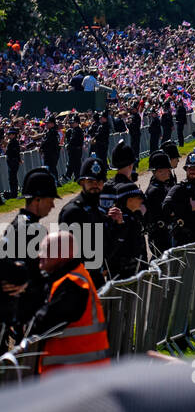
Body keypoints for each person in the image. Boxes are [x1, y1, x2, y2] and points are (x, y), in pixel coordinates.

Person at [28, 229, 110, 376]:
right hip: (77, 373)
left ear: (62, 255)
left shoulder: (74, 284)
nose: (39, 255)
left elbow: (42, 323)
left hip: (78, 376)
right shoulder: (68, 277)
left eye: (45, 250)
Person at [0, 167, 58, 339]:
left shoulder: (17, 224)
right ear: (37, 200)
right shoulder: (31, 230)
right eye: (50, 200)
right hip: (27, 316)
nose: (53, 205)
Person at [58, 156, 121, 288]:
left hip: (96, 280)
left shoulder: (98, 211)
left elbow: (107, 247)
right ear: (82, 183)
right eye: (90, 181)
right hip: (78, 284)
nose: (95, 186)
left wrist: (116, 224)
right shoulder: (72, 212)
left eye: (99, 181)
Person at [163, 151, 195, 245]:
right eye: (189, 168)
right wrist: (189, 207)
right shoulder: (179, 188)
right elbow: (166, 207)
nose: (191, 170)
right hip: (183, 240)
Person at [5, 128, 22, 200]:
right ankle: (14, 192)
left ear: (14, 135)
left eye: (10, 134)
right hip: (14, 161)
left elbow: (11, 153)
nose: (9, 136)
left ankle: (14, 193)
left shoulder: (13, 142)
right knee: (12, 178)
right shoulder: (14, 142)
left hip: (13, 161)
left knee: (12, 178)